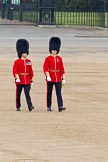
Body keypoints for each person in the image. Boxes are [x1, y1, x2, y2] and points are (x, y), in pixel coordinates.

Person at [43, 37, 66, 112]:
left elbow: (62, 68)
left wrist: (63, 78)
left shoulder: (59, 58)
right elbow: (45, 68)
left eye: (55, 50)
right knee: (49, 92)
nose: (54, 51)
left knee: (58, 93)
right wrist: (48, 76)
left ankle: (60, 106)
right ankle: (49, 106)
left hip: (58, 78)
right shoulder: (48, 58)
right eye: (53, 50)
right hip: (51, 77)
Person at [13, 39, 34, 112]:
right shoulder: (17, 62)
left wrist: (31, 80)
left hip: (27, 80)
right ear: (21, 53)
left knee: (27, 93)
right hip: (20, 80)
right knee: (18, 94)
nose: (25, 54)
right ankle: (18, 106)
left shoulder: (29, 61)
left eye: (26, 53)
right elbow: (15, 71)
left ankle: (30, 106)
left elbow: (30, 71)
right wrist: (17, 78)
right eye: (24, 53)